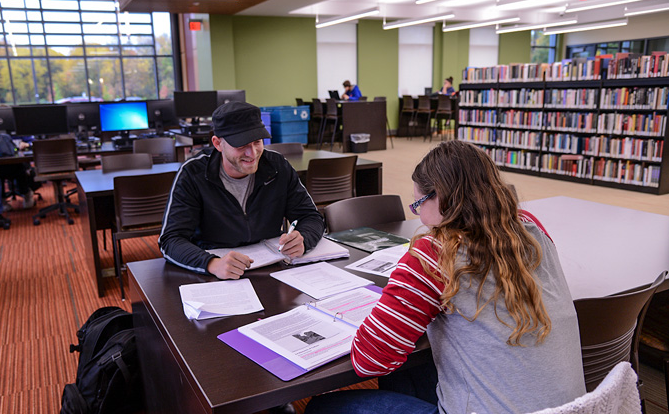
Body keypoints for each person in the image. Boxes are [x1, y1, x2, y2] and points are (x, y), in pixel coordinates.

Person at [305, 140, 585, 414]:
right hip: (573, 408)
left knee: (321, 407)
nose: (421, 219)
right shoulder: (530, 227)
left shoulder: (434, 255)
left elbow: (369, 362)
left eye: (418, 205)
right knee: (410, 369)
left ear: (441, 197)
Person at [159, 101, 325, 280]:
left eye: (257, 142)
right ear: (217, 143)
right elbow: (171, 239)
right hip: (216, 275)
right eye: (241, 145)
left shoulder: (277, 166)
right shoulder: (193, 174)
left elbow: (311, 217)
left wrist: (304, 239)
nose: (252, 153)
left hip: (272, 270)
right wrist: (211, 263)